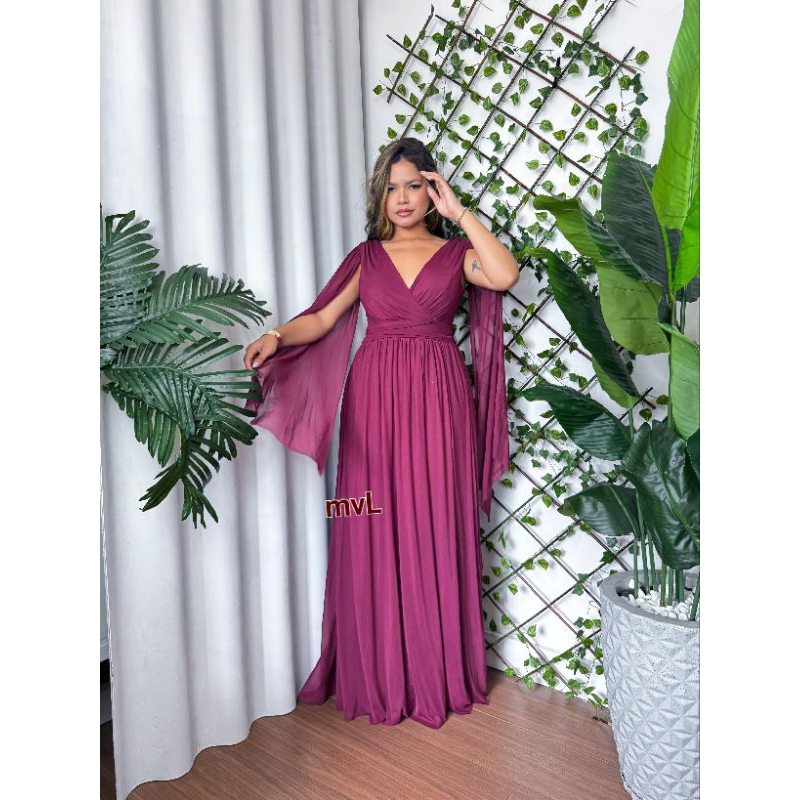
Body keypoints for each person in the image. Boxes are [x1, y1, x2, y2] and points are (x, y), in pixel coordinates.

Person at [243, 137, 519, 728]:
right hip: (373, 400)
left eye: (415, 185)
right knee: (368, 514)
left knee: (436, 514)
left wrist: (461, 215)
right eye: (391, 187)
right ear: (379, 194)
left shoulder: (456, 253)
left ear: (433, 189)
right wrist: (276, 336)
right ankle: (381, 667)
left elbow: (504, 275)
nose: (402, 197)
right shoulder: (367, 257)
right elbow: (323, 318)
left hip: (440, 398)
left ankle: (433, 668)